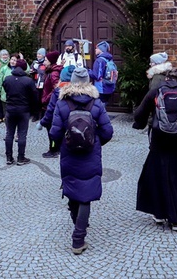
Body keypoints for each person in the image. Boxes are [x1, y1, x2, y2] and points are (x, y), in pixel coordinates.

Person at [50, 67, 113, 255]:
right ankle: (78, 239)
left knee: (72, 188)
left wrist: (66, 141)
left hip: (69, 154)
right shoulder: (96, 104)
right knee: (86, 194)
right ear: (88, 82)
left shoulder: (62, 103)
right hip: (90, 154)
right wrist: (95, 141)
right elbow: (108, 131)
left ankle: (78, 221)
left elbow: (54, 132)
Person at [132, 68, 177, 232]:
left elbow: (139, 114)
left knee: (157, 174)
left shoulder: (156, 92)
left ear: (166, 78)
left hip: (159, 141)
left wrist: (142, 122)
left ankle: (158, 213)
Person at [1, 59, 40, 165]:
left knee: (9, 133)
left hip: (10, 108)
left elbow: (5, 88)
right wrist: (34, 110)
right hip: (23, 110)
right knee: (22, 134)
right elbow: (35, 96)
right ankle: (20, 158)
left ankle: (9, 157)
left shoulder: (8, 79)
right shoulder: (28, 81)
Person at [38, 64, 75, 158]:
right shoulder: (80, 91)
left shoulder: (58, 91)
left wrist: (42, 122)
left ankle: (54, 150)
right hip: (73, 121)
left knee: (54, 132)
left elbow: (51, 109)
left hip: (58, 118)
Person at [0, 52, 20, 122]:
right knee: (6, 110)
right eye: (12, 59)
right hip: (5, 93)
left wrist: (22, 59)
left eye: (15, 60)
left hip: (16, 94)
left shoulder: (20, 69)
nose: (12, 62)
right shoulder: (4, 69)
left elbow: (27, 70)